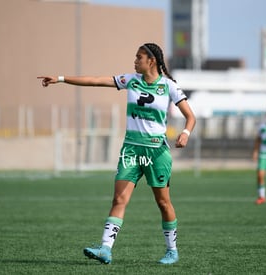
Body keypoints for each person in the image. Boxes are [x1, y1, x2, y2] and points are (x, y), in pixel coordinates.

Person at [37, 43, 196, 264]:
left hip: (156, 152)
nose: (135, 61)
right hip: (130, 149)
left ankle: (172, 251)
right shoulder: (130, 80)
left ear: (151, 61)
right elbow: (95, 81)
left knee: (163, 203)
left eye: (138, 57)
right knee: (119, 199)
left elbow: (190, 116)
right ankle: (105, 249)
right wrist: (61, 78)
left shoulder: (169, 87)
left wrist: (186, 132)